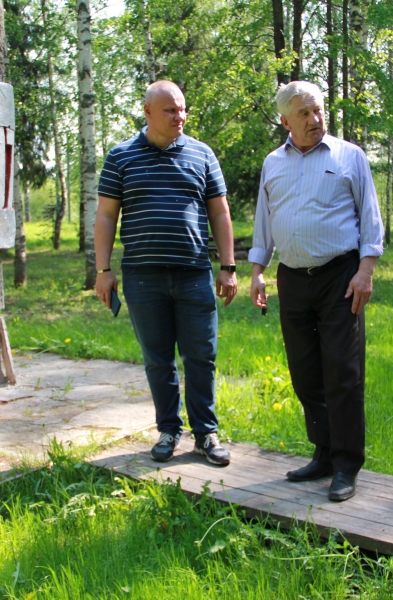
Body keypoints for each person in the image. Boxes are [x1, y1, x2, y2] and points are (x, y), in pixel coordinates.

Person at [249, 81, 384, 502]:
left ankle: (346, 464)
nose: (315, 119)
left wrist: (366, 270)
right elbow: (264, 222)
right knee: (305, 373)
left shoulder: (349, 156)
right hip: (292, 278)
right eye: (304, 114)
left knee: (342, 371)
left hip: (339, 276)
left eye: (319, 110)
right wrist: (257, 272)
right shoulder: (273, 163)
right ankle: (323, 453)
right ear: (285, 120)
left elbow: (370, 218)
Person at [94, 80, 238, 466]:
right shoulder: (121, 157)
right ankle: (169, 429)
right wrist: (103, 269)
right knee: (158, 359)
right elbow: (107, 215)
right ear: (148, 113)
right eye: (171, 110)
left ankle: (205, 433)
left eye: (183, 109)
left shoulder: (202, 154)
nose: (181, 116)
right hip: (143, 278)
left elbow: (220, 213)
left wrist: (227, 267)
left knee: (201, 356)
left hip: (194, 274)